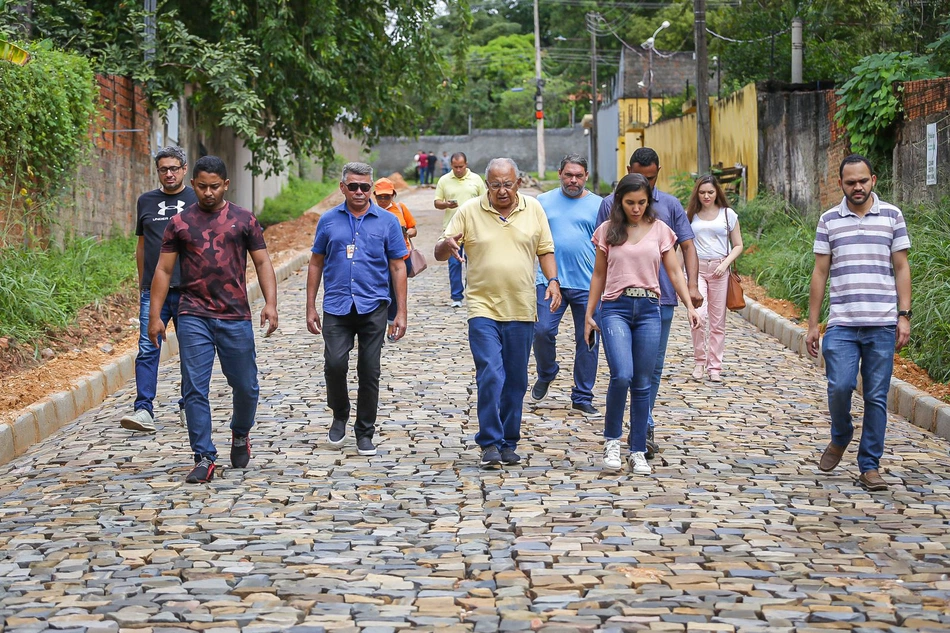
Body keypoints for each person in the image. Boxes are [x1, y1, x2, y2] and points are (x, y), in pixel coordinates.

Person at [149, 155, 278, 484]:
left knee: (246, 387)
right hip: (193, 314)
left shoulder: (244, 220)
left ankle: (239, 433)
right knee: (194, 387)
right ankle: (203, 455)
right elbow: (163, 270)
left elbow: (262, 263)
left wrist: (270, 304)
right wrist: (155, 316)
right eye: (202, 187)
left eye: (214, 187)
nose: (208, 193)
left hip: (235, 315)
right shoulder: (179, 223)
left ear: (225, 185)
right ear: (193, 184)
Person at [434, 158, 561, 469]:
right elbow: (441, 249)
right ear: (486, 184)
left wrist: (554, 281)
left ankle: (509, 441)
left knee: (516, 380)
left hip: (521, 306)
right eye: (495, 185)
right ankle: (490, 441)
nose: (502, 191)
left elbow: (545, 249)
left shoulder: (533, 209)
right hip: (482, 306)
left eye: (508, 184)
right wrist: (445, 245)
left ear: (518, 182)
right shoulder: (469, 210)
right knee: (491, 373)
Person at [806, 154, 911, 492]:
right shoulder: (828, 220)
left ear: (873, 180)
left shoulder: (892, 216)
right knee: (839, 386)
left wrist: (903, 315)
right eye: (851, 182)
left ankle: (870, 466)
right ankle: (841, 435)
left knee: (876, 397)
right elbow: (820, 272)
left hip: (881, 323)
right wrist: (812, 324)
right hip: (842, 323)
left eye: (863, 181)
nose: (858, 187)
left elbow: (901, 267)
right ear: (841, 185)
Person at [585, 174, 700, 474]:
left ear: (648, 201)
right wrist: (589, 313)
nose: (636, 208)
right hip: (615, 308)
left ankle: (637, 448)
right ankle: (612, 440)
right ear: (619, 202)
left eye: (641, 202)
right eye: (630, 203)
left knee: (643, 383)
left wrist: (690, 306)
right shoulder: (608, 231)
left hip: (650, 308)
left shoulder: (661, 230)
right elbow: (598, 275)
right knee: (622, 374)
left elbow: (675, 273)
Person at [306, 162, 408, 458]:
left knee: (369, 369)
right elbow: (316, 261)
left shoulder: (386, 222)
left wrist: (401, 312)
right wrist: (310, 306)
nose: (360, 192)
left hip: (373, 305)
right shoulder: (328, 220)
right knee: (335, 364)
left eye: (365, 187)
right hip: (337, 305)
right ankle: (340, 413)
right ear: (343, 188)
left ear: (372, 188)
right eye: (354, 186)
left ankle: (365, 431)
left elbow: (398, 266)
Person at [120, 146, 197, 433]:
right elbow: (142, 246)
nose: (169, 173)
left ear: (184, 169)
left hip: (190, 289)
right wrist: (144, 285)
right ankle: (143, 410)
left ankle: (189, 407)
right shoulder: (146, 201)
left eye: (174, 168)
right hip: (154, 292)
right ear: (157, 172)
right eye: (163, 169)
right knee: (147, 348)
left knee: (192, 350)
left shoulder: (197, 198)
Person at [530, 153, 603, 416]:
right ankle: (547, 371)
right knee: (541, 330)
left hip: (588, 283)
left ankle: (582, 395)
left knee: (588, 339)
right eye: (569, 174)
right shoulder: (542, 201)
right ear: (560, 173)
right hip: (549, 281)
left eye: (579, 176)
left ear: (586, 177)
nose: (573, 180)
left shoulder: (600, 205)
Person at [685, 175, 743, 382]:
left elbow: (738, 245)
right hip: (696, 269)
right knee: (698, 316)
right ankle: (699, 362)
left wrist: (724, 264)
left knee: (718, 322)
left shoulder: (728, 214)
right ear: (697, 194)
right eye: (702, 192)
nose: (706, 196)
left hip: (720, 269)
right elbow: (684, 246)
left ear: (717, 192)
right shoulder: (690, 215)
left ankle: (715, 367)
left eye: (710, 192)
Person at [434, 153, 487, 307]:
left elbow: (485, 201)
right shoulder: (444, 180)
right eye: (455, 167)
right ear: (451, 165)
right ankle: (456, 296)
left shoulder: (476, 179)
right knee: (454, 263)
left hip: (474, 228)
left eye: (461, 166)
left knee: (474, 263)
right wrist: (446, 205)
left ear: (466, 164)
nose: (458, 170)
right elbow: (437, 202)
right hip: (452, 229)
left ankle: (474, 293)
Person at [373, 177, 417, 324]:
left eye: (387, 196)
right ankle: (377, 328)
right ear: (375, 195)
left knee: (395, 291)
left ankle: (392, 323)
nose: (384, 200)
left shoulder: (400, 208)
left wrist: (406, 232)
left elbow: (413, 228)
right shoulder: (371, 212)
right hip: (379, 259)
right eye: (380, 197)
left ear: (393, 195)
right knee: (379, 292)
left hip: (402, 257)